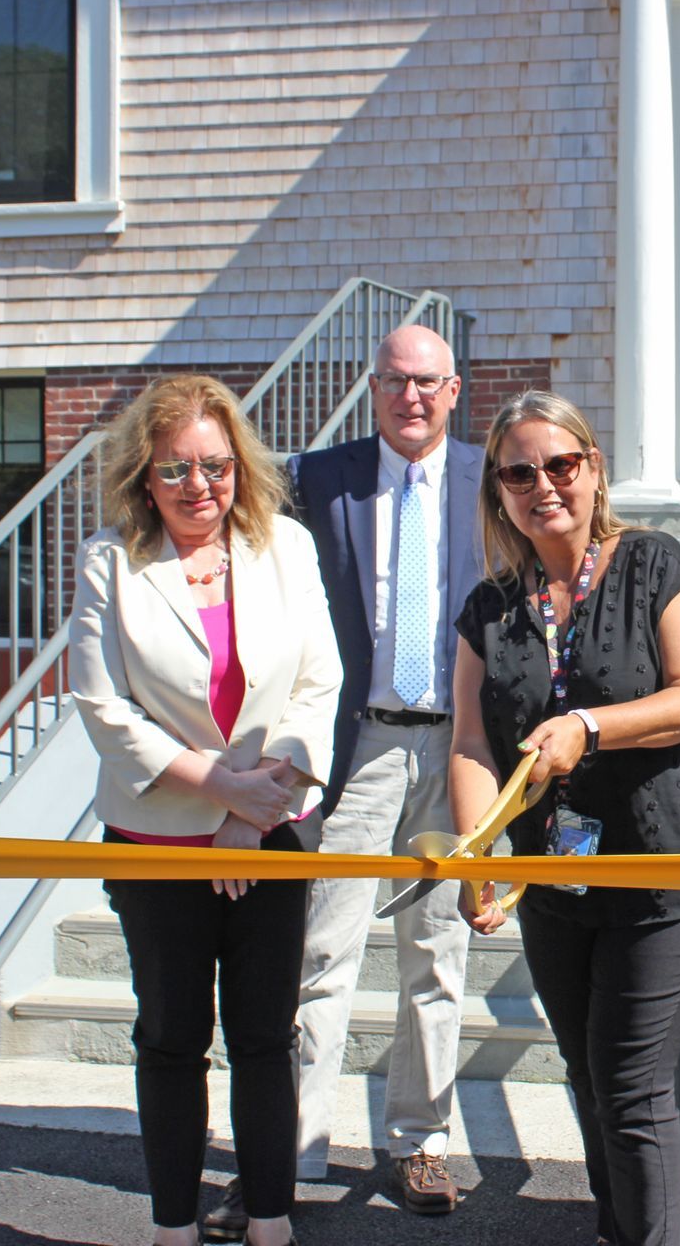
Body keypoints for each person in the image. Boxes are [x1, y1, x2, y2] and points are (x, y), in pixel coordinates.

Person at [448, 390, 680, 1246]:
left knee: (631, 1081)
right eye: (518, 473)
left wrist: (587, 725)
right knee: (592, 1078)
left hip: (673, 871)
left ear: (594, 469)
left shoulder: (653, 564)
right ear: (498, 491)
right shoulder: (491, 608)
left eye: (560, 464)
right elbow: (471, 742)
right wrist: (476, 855)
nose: (542, 484)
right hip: (558, 881)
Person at [216, 323, 486, 1230]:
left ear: (454, 390)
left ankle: (421, 1142)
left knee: (437, 955)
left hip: (457, 748)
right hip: (356, 746)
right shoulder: (316, 479)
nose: (412, 397)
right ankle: (288, 1154)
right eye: (395, 380)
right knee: (322, 952)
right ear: (373, 389)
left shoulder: (493, 477)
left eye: (429, 382)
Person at [68, 373, 342, 1246]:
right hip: (156, 842)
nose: (200, 486)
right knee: (170, 1038)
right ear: (143, 477)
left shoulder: (286, 547)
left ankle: (270, 1221)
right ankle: (173, 1227)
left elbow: (318, 684)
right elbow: (105, 707)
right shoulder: (110, 562)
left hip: (270, 831)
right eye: (176, 469)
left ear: (241, 467)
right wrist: (220, 788)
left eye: (216, 466)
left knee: (265, 1036)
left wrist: (252, 810)